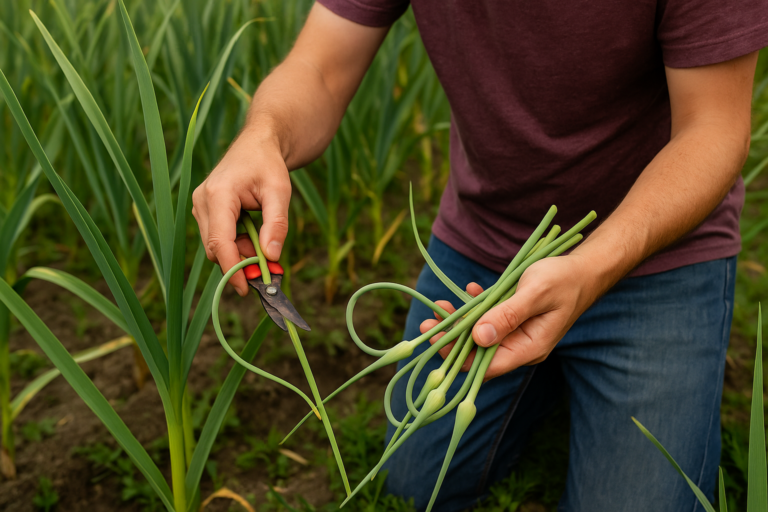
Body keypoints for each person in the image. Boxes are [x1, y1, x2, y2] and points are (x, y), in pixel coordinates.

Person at [192, 1, 768, 510]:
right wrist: (263, 135)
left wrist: (592, 269)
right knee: (413, 488)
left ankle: (565, 372)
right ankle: (550, 381)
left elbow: (714, 128)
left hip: (656, 254)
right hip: (485, 246)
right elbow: (322, 65)